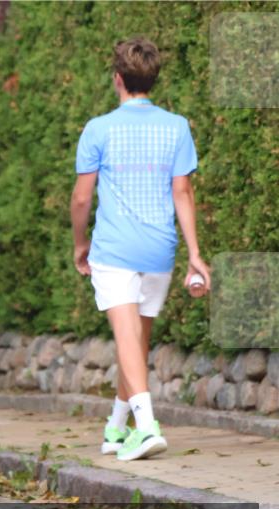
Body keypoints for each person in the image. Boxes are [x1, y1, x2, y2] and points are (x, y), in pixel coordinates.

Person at [71, 37, 209, 462]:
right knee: (136, 341)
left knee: (129, 341)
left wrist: (80, 243)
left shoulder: (99, 128)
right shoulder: (177, 126)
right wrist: (194, 254)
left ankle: (146, 427)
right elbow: (183, 192)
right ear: (153, 79)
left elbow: (80, 198)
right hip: (159, 250)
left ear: (118, 79)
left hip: (113, 250)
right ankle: (116, 430)